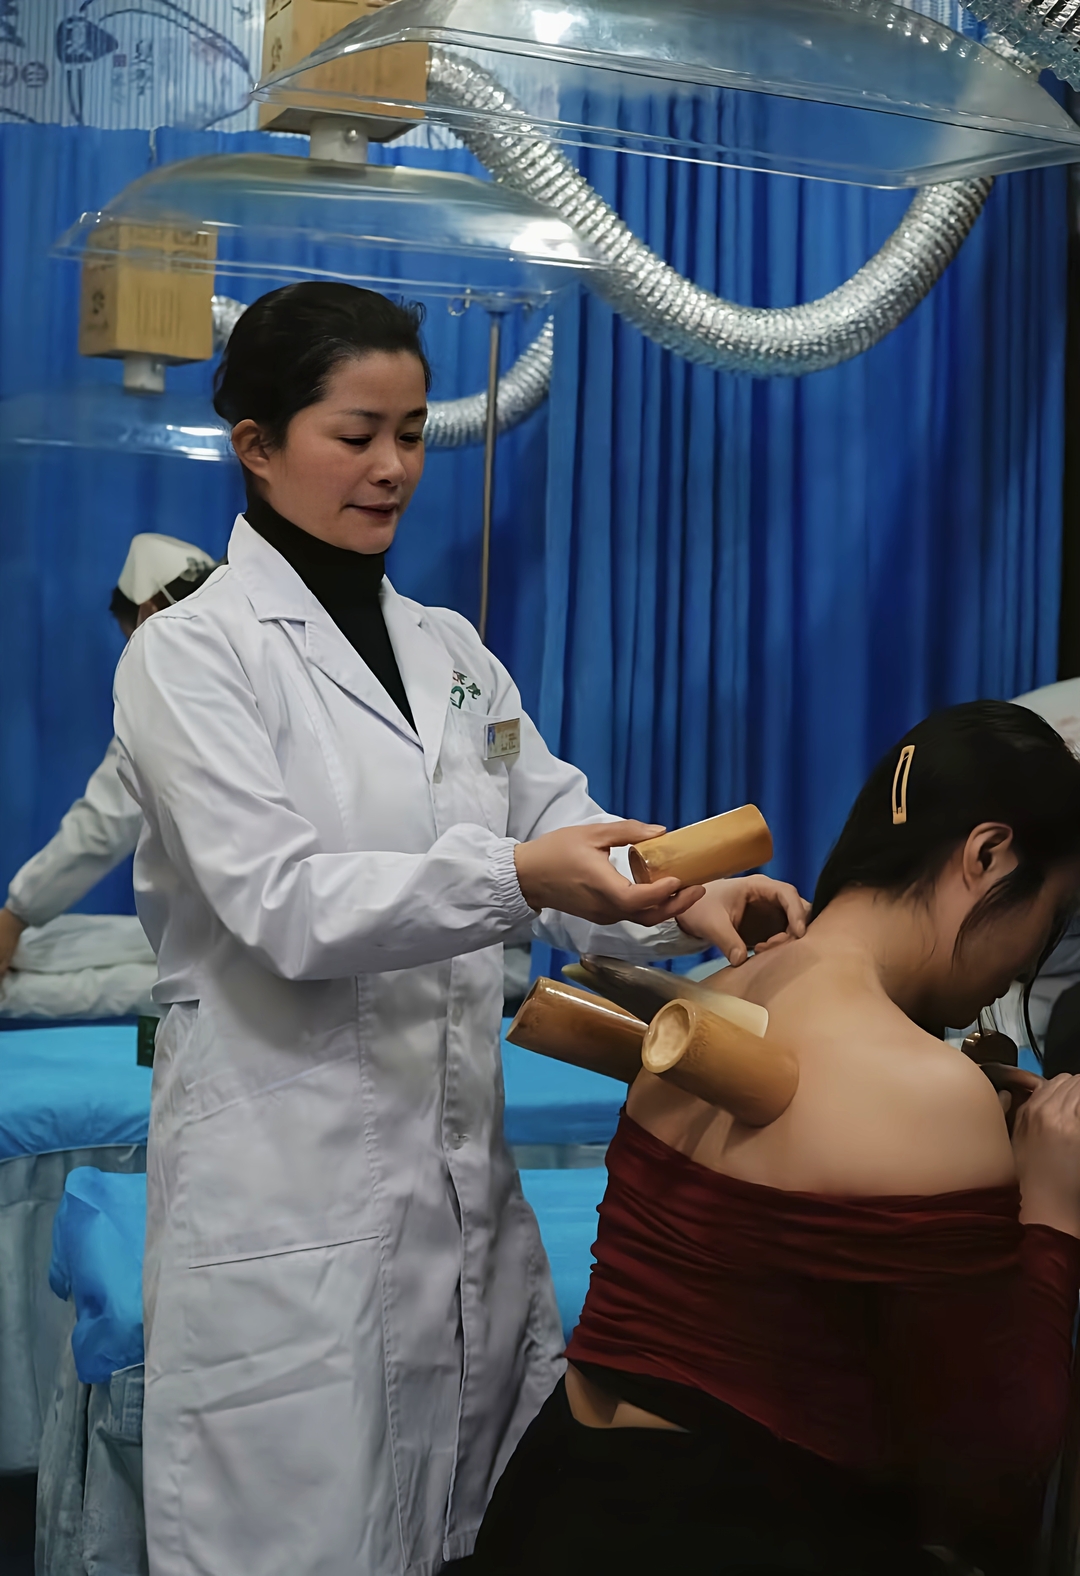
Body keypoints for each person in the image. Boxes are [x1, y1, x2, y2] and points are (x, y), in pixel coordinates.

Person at [110, 280, 808, 1576]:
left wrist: (687, 898)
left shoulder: (452, 655)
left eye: (413, 433)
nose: (392, 467)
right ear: (256, 444)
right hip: (288, 1207)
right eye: (355, 433)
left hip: (459, 1203)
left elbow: (557, 819)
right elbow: (285, 904)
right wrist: (524, 877)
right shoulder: (192, 656)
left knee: (467, 1539)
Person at [473, 700, 1080, 1576]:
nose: (1026, 961)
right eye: (1050, 917)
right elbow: (996, 1469)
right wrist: (1055, 1213)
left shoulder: (724, 988)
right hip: (724, 1538)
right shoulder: (929, 1090)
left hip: (552, 1501)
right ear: (987, 855)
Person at [0, 533, 216, 978]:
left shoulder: (175, 699)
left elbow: (105, 825)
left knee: (31, 978)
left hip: (237, 936)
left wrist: (16, 914)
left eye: (132, 638)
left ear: (149, 613)